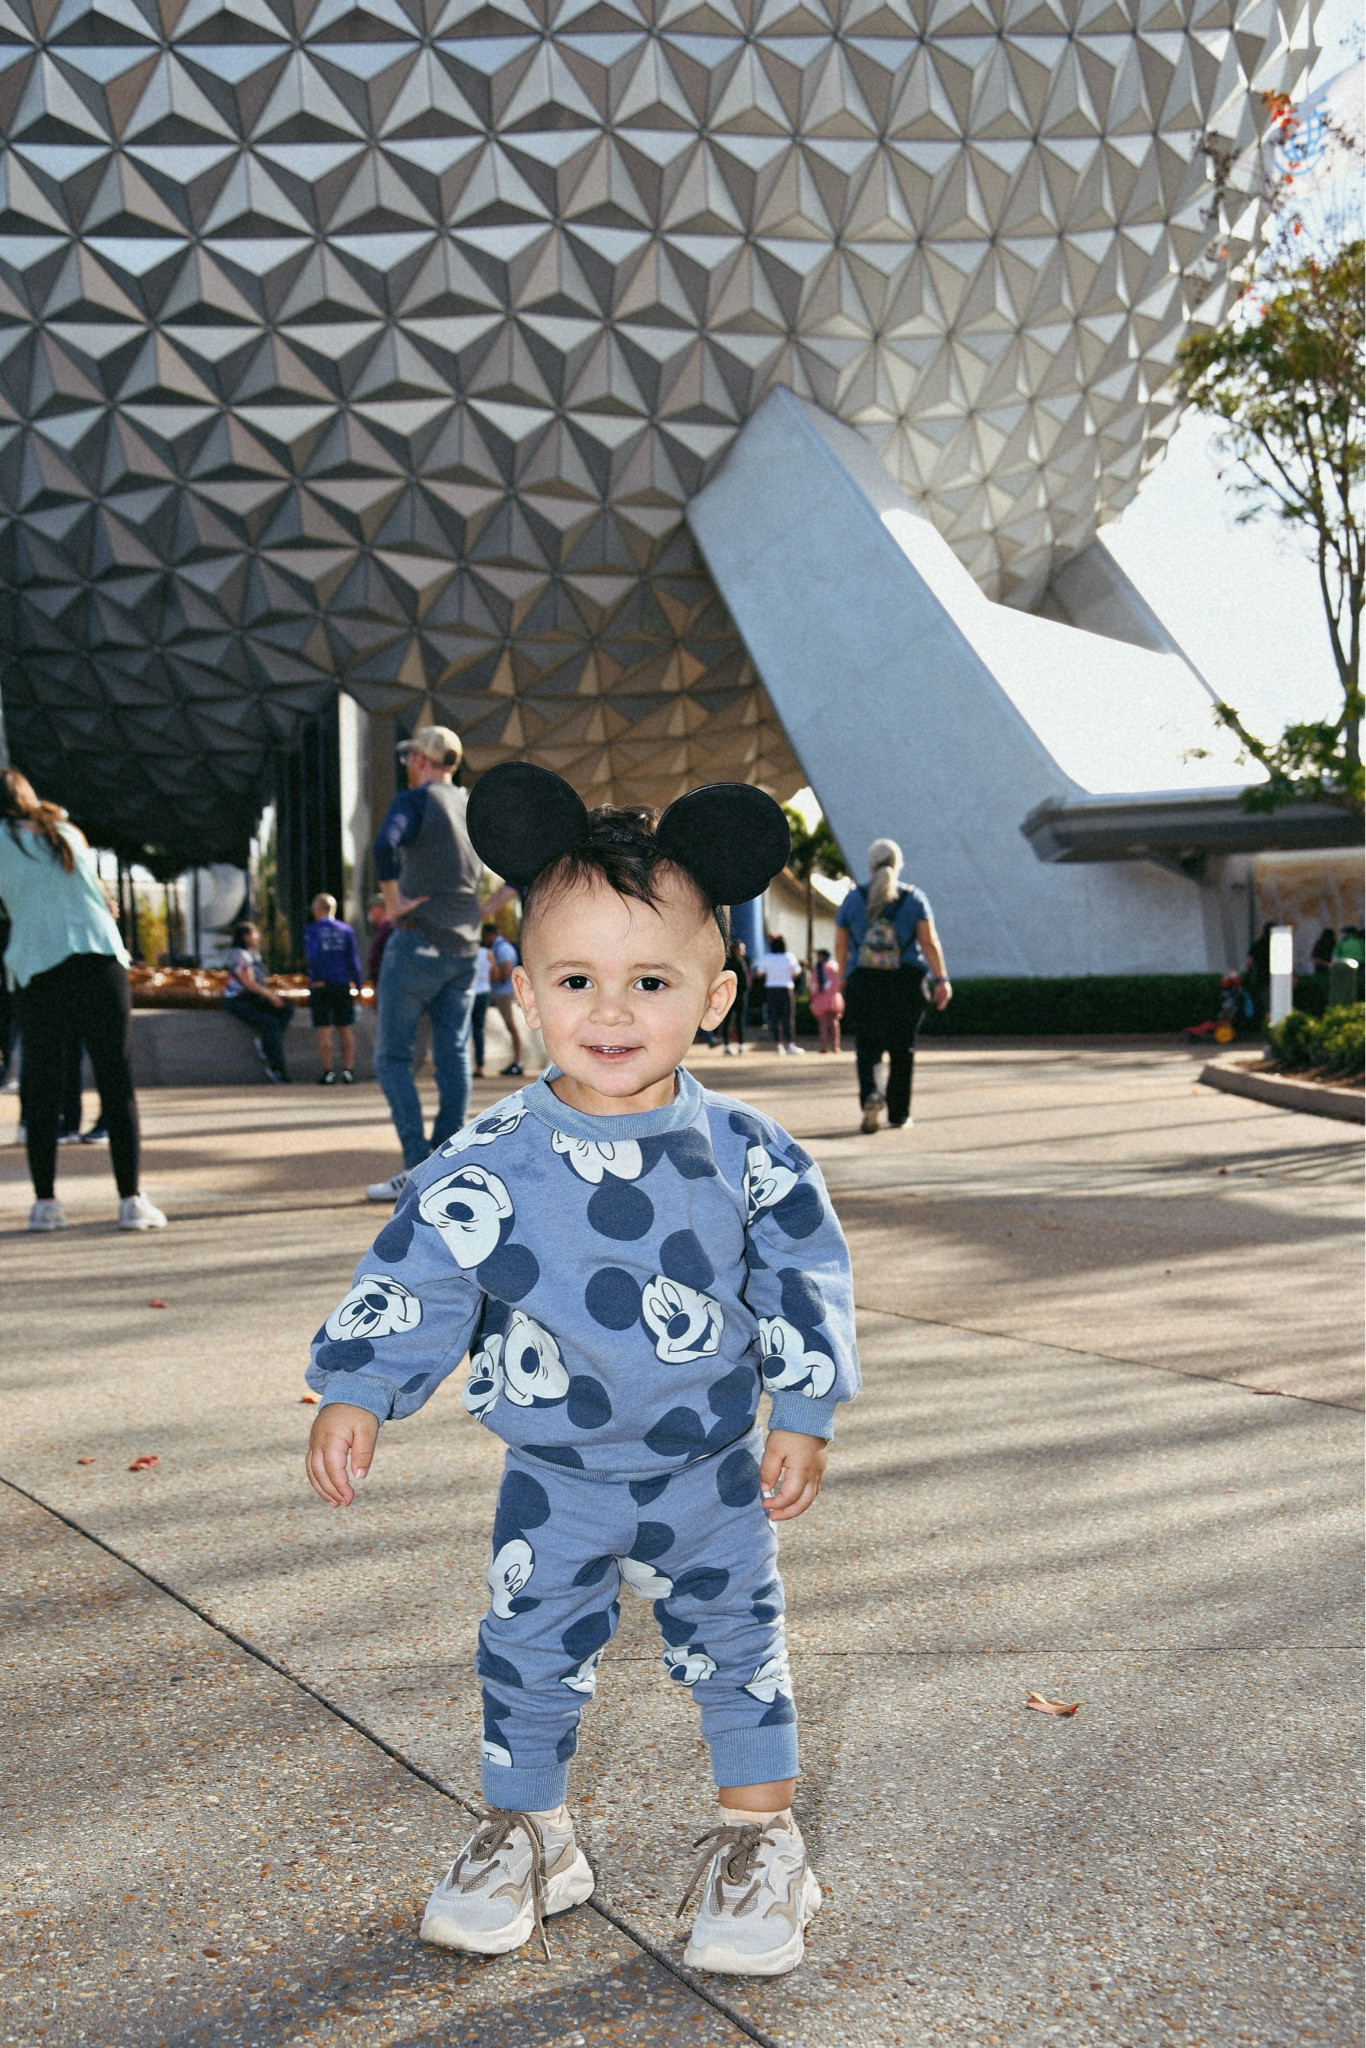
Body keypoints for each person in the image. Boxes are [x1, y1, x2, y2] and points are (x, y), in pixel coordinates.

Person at [304, 764, 856, 1978]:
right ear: (525, 987)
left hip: (710, 1467)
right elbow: (422, 1265)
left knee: (736, 1645)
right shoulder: (493, 1152)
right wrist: (357, 1383)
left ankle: (763, 1843)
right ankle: (531, 1830)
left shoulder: (745, 1152)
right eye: (575, 979)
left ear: (713, 995)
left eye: (649, 981)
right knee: (526, 1646)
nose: (612, 1010)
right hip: (553, 1472)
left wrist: (805, 1401)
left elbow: (801, 1270)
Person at [0, 767, 165, 1231]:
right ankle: (131, 1200)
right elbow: (97, 899)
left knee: (40, 1084)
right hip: (99, 958)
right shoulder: (66, 832)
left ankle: (45, 1204)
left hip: (37, 964)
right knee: (117, 1080)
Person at [368, 724, 483, 1204]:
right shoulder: (470, 806)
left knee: (392, 1056)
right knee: (453, 1055)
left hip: (417, 945)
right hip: (464, 950)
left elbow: (383, 846)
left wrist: (393, 902)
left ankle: (416, 1163)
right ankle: (448, 1159)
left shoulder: (414, 802)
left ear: (419, 760)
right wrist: (488, 908)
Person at [836, 839, 951, 1134]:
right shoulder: (914, 899)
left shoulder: (853, 899)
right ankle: (899, 1114)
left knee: (868, 1046)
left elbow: (841, 942)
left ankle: (872, 1095)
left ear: (870, 865)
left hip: (864, 981)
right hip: (906, 982)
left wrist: (842, 979)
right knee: (903, 1049)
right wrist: (941, 979)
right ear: (898, 865)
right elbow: (929, 942)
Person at [304, 892, 364, 1083]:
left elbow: (313, 957)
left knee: (324, 1029)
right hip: (342, 984)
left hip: (322, 986)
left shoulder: (312, 931)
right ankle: (348, 1070)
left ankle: (328, 1071)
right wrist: (359, 985)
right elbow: (353, 960)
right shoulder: (346, 930)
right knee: (345, 1027)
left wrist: (316, 977)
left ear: (318, 908)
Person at [223, 919, 292, 1081]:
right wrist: (271, 996)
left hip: (254, 997)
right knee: (270, 1023)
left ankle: (266, 1042)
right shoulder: (239, 955)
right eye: (254, 933)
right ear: (245, 936)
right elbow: (249, 983)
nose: (258, 937)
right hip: (239, 999)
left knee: (286, 1010)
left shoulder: (254, 955)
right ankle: (277, 1069)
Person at [754, 932, 804, 1054]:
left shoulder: (767, 957)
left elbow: (759, 973)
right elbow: (797, 973)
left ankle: (778, 1046)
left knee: (774, 1018)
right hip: (786, 988)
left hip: (771, 989)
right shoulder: (789, 956)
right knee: (788, 1017)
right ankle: (790, 1044)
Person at [488, 923, 524, 1076]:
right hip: (503, 992)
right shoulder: (502, 947)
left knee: (512, 1028)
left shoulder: (501, 949)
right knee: (511, 1028)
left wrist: (491, 965)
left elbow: (504, 973)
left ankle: (518, 1061)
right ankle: (517, 1061)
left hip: (504, 992)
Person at [471, 924, 496, 1078]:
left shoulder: (466, 953)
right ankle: (480, 1066)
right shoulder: (488, 953)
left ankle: (463, 1067)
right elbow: (495, 973)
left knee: (462, 1032)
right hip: (484, 993)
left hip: (467, 994)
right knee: (478, 1031)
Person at [808, 948, 843, 1053]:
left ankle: (824, 1046)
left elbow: (814, 986)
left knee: (823, 1023)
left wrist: (812, 998)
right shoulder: (835, 966)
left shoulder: (818, 968)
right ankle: (836, 1046)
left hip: (821, 998)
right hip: (835, 998)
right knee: (834, 1023)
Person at [718, 936, 750, 1054]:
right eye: (742, 948)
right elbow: (744, 981)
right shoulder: (738, 962)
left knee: (729, 1020)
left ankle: (729, 1045)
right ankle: (738, 1044)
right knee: (738, 1020)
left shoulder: (728, 962)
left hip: (729, 994)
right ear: (736, 949)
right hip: (738, 995)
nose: (744, 950)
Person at [365, 895, 394, 989]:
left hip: (388, 981)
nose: (369, 912)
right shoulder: (381, 929)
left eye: (371, 908)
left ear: (379, 908)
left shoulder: (389, 929)